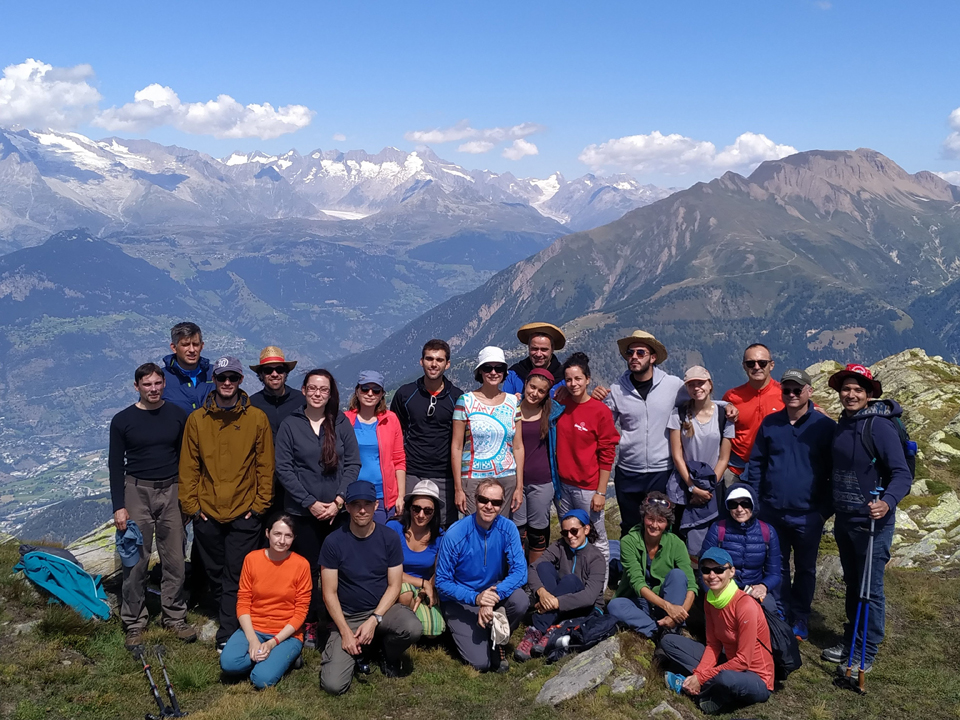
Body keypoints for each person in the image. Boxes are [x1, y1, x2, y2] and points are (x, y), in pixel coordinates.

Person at [820, 364, 911, 672]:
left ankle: (866, 649)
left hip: (874, 522)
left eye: (858, 389)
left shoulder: (879, 426)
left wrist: (886, 503)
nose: (851, 394)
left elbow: (901, 474)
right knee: (853, 582)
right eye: (846, 389)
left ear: (870, 394)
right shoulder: (843, 423)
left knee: (870, 587)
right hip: (847, 519)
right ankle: (852, 638)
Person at [179, 356, 274, 649]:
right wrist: (193, 508)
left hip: (244, 513)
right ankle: (233, 621)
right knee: (216, 573)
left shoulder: (256, 418)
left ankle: (228, 633)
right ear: (215, 381)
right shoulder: (197, 420)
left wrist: (258, 507)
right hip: (207, 513)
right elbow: (189, 467)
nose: (227, 383)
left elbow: (265, 467)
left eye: (233, 378)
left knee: (236, 573)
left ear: (241, 380)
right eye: (222, 378)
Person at [744, 368, 836, 641]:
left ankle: (801, 616)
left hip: (809, 514)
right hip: (772, 511)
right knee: (777, 565)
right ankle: (781, 612)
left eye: (798, 389)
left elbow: (835, 471)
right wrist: (757, 503)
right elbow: (757, 465)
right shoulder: (771, 424)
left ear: (810, 391)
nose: (792, 394)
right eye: (787, 390)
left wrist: (823, 511)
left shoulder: (824, 427)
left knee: (806, 568)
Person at [109, 362, 196, 649]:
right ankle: (134, 622)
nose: (153, 389)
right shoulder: (122, 420)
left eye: (158, 383)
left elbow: (186, 457)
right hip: (137, 490)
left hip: (171, 488)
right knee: (135, 560)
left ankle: (174, 618)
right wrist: (119, 506)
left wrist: (186, 498)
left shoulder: (177, 415)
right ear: (137, 387)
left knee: (174, 558)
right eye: (147, 384)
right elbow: (115, 466)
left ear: (164, 384)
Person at [275, 368, 360, 647]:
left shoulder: (341, 423)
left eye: (323, 389)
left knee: (341, 568)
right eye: (312, 388)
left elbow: (353, 465)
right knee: (307, 572)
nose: (317, 394)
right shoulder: (290, 425)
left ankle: (341, 621)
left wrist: (338, 501)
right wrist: (310, 503)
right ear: (303, 390)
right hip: (302, 514)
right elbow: (284, 469)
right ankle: (309, 622)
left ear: (330, 393)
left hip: (337, 512)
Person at [319, 481, 422, 694]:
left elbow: (395, 585)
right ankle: (355, 644)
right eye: (356, 504)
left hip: (382, 611)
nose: (362, 509)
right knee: (333, 686)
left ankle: (385, 652)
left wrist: (375, 619)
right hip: (348, 616)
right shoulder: (333, 542)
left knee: (412, 627)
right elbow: (328, 593)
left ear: (376, 505)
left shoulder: (389, 538)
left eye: (367, 504)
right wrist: (345, 631)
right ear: (347, 507)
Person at [660, 547, 774, 716]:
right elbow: (713, 644)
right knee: (668, 642)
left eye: (719, 569)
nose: (712, 575)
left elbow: (744, 661)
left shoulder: (745, 605)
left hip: (757, 677)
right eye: (706, 570)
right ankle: (706, 689)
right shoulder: (710, 599)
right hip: (728, 661)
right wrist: (700, 674)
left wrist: (702, 677)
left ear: (731, 572)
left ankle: (692, 687)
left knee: (725, 679)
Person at [594, 330, 684, 537]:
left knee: (663, 527)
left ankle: (662, 569)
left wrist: (727, 406)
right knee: (631, 528)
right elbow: (602, 424)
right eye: (630, 352)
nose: (634, 357)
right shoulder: (616, 390)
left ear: (653, 358)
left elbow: (701, 398)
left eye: (640, 352)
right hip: (628, 471)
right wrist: (592, 400)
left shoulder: (673, 385)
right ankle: (632, 569)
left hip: (662, 471)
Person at [435, 479, 529, 672]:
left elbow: (521, 572)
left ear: (502, 504)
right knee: (480, 664)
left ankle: (496, 638)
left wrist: (491, 597)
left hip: (491, 593)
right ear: (474, 500)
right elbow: (442, 582)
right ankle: (465, 633)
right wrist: (476, 598)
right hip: (460, 599)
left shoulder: (508, 528)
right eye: (483, 500)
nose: (489, 506)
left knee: (521, 600)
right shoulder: (455, 533)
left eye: (495, 502)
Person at [219, 513, 311, 689]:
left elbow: (301, 612)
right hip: (254, 627)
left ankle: (280, 658)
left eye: (288, 536)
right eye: (277, 534)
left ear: (294, 538)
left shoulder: (302, 565)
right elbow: (243, 601)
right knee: (229, 664)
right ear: (267, 533)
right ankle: (269, 658)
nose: (282, 540)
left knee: (261, 679)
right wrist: (252, 639)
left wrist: (272, 642)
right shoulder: (252, 559)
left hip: (286, 635)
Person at [555, 353, 619, 574]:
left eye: (578, 379)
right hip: (563, 487)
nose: (573, 384)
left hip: (587, 488)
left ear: (588, 379)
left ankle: (598, 592)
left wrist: (601, 491)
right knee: (569, 536)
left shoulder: (600, 411)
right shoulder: (560, 405)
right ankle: (575, 580)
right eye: (569, 380)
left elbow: (607, 453)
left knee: (596, 538)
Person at [391, 340, 465, 528]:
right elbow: (395, 434)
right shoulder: (405, 394)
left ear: (447, 364)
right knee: (409, 524)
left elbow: (461, 440)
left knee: (443, 528)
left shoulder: (457, 397)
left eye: (439, 360)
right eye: (429, 358)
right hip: (411, 472)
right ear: (421, 361)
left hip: (444, 474)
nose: (434, 364)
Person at [515, 509, 607, 661]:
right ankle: (550, 626)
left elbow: (590, 597)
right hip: (558, 602)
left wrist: (555, 602)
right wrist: (542, 592)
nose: (570, 536)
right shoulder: (559, 546)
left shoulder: (596, 558)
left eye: (574, 531)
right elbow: (532, 568)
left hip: (585, 608)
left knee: (571, 581)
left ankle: (537, 628)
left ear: (586, 529)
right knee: (543, 567)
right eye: (565, 533)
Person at [607, 492, 697, 638]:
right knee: (614, 606)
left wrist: (678, 614)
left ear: (667, 523)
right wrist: (669, 608)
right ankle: (658, 632)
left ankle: (672, 627)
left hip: (667, 598)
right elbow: (637, 583)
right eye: (650, 519)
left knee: (678, 575)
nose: (654, 525)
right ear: (643, 518)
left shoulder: (676, 543)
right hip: (638, 599)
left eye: (660, 520)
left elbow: (691, 584)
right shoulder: (629, 541)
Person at [666, 366, 734, 559]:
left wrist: (710, 487)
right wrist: (692, 487)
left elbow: (724, 457)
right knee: (683, 539)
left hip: (714, 487)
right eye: (691, 384)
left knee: (714, 537)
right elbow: (677, 455)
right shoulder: (678, 414)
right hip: (685, 486)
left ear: (710, 384)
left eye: (700, 383)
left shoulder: (724, 416)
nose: (696, 388)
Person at [451, 346, 524, 518]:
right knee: (473, 531)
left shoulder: (513, 402)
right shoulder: (465, 401)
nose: (493, 372)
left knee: (500, 530)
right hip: (473, 478)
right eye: (488, 368)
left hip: (507, 477)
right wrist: (458, 488)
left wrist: (519, 486)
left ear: (504, 372)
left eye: (498, 368)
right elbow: (456, 446)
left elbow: (518, 446)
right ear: (480, 372)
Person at [698, 485, 782, 615]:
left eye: (745, 503)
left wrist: (763, 586)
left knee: (770, 611)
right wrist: (712, 593)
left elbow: (775, 573)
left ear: (753, 505)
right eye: (733, 504)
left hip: (753, 588)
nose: (739, 509)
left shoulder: (768, 532)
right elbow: (703, 566)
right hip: (723, 587)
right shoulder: (717, 529)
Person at [514, 368, 564, 563]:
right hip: (515, 480)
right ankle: (517, 575)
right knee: (517, 532)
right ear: (525, 385)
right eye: (532, 387)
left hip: (542, 480)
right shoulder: (511, 409)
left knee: (538, 533)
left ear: (547, 394)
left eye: (541, 391)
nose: (534, 393)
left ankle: (536, 577)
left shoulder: (552, 413)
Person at [344, 370, 406, 525]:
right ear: (357, 391)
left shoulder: (390, 420)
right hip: (351, 494)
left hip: (382, 496)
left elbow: (399, 460)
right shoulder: (345, 420)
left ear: (381, 394)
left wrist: (400, 496)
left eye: (376, 390)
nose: (370, 393)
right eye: (365, 389)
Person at [386, 479, 446, 637]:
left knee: (435, 631)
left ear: (434, 513)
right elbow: (385, 567)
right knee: (405, 595)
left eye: (427, 511)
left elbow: (440, 568)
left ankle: (412, 623)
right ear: (409, 507)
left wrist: (428, 587)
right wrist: (422, 582)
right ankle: (403, 627)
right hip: (396, 583)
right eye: (416, 508)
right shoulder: (393, 529)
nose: (421, 515)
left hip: (424, 588)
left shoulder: (440, 536)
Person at [721, 344, 783, 486]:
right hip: (737, 470)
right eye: (750, 363)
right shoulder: (732, 397)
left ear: (771, 365)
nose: (756, 367)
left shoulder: (785, 394)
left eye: (762, 363)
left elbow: (808, 410)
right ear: (744, 366)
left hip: (772, 469)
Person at [248, 346, 304, 438]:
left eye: (279, 370)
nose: (274, 374)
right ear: (261, 375)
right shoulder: (252, 404)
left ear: (285, 373)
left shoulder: (301, 401)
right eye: (268, 370)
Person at [161, 321, 214, 414]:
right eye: (185, 345)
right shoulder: (160, 379)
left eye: (196, 344)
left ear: (202, 346)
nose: (192, 350)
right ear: (174, 347)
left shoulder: (216, 374)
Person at [503, 322, 566, 396]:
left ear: (552, 349)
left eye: (544, 349)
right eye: (534, 349)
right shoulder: (514, 375)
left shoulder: (564, 378)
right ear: (528, 348)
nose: (538, 354)